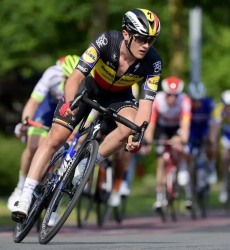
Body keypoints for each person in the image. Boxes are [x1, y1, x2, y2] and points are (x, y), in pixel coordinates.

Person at [11, 8, 162, 223]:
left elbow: (146, 103)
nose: (146, 45)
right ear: (126, 34)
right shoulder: (106, 41)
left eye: (151, 40)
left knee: (130, 127)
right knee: (56, 137)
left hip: (120, 96)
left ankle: (88, 161)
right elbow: (74, 77)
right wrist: (70, 102)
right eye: (142, 39)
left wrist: (139, 132)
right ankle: (25, 195)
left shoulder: (153, 62)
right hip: (89, 87)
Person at [7, 55, 80, 211]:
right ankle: (20, 187)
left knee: (62, 147)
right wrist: (25, 122)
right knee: (33, 145)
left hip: (68, 110)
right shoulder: (52, 74)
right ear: (62, 75)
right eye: (67, 78)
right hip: (47, 109)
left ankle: (52, 194)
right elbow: (33, 102)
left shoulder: (85, 81)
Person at [144, 76, 193, 210]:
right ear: (164, 93)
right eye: (169, 94)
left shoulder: (184, 100)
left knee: (178, 145)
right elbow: (151, 123)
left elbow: (186, 123)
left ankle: (182, 167)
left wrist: (183, 140)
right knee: (161, 161)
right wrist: (147, 142)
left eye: (175, 95)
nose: (172, 98)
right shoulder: (157, 100)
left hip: (178, 127)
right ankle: (160, 198)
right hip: (163, 127)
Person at [186, 82, 216, 189]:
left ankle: (211, 168)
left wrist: (211, 137)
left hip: (205, 129)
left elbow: (214, 122)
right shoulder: (186, 105)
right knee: (187, 152)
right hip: (192, 130)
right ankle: (188, 171)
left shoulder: (209, 103)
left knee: (211, 146)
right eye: (194, 100)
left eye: (200, 100)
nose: (197, 103)